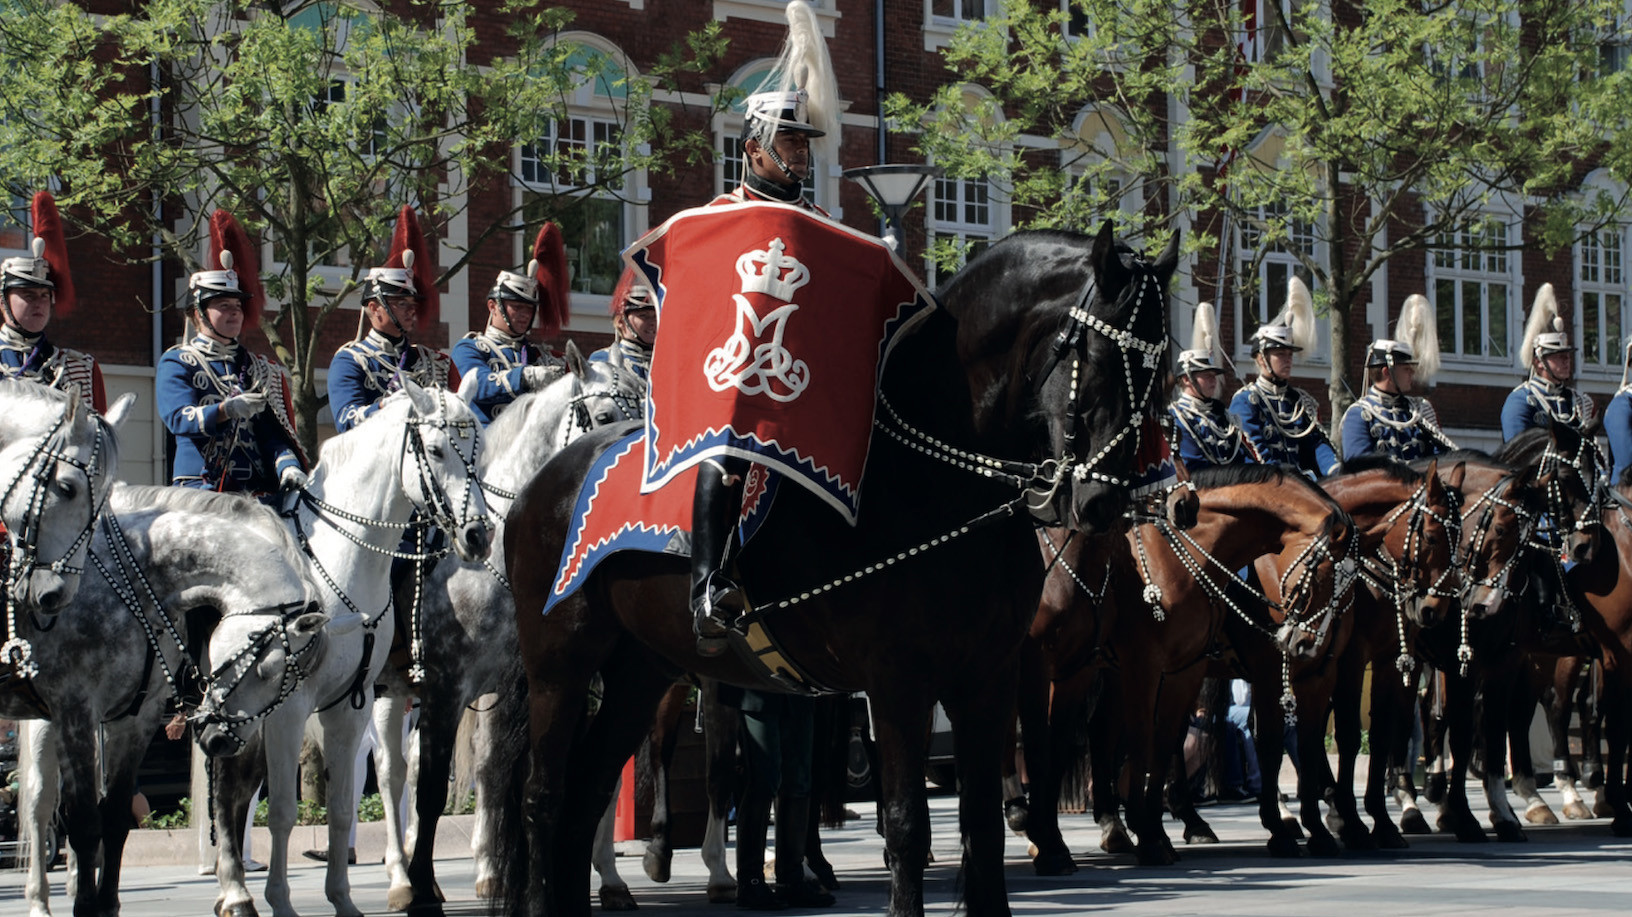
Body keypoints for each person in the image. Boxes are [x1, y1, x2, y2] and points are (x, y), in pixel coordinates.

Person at [689, 84, 833, 658]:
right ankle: (706, 584)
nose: (800, 153)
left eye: (803, 142)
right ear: (753, 149)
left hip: (805, 381)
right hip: (737, 383)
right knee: (722, 453)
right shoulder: (718, 219)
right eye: (789, 141)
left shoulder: (822, 223)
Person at [157, 210, 305, 494]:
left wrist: (288, 464)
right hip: (201, 488)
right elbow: (179, 418)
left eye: (237, 307)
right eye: (223, 305)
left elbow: (273, 433)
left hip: (256, 492)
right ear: (198, 313)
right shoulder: (178, 361)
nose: (234, 313)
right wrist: (225, 410)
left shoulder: (260, 369)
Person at [328, 205, 458, 433]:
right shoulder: (352, 361)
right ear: (374, 307)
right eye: (401, 304)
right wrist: (384, 406)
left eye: (412, 304)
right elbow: (347, 422)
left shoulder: (435, 362)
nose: (411, 311)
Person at [450, 223, 570, 425]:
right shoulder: (470, 348)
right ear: (493, 306)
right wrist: (525, 376)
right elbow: (478, 385)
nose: (525, 314)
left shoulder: (541, 355)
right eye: (517, 307)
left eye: (529, 309)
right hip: (486, 443)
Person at [0, 191, 105, 413]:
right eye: (28, 295)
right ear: (3, 301)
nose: (39, 303)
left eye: (44, 296)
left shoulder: (79, 368)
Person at [1230, 276, 1340, 479]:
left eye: (1289, 354)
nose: (1288, 359)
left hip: (1304, 485)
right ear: (1261, 358)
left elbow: (1316, 442)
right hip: (1267, 488)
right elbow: (1256, 453)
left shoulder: (1299, 401)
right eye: (1280, 354)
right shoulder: (1245, 401)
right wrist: (1293, 482)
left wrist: (1334, 470)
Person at [1339, 294, 1456, 462]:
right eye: (1407, 369)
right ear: (1388, 372)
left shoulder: (1420, 410)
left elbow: (1442, 457)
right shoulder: (1359, 414)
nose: (1412, 373)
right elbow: (1359, 468)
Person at [1169, 302, 1256, 471]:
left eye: (1214, 376)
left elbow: (1245, 457)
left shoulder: (1222, 415)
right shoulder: (1177, 417)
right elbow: (1193, 466)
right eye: (1207, 376)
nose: (1213, 380)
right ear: (1187, 379)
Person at [1502, 283, 1596, 440]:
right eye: (1559, 356)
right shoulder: (1521, 400)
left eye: (1567, 356)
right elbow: (1518, 453)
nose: (1567, 361)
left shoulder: (1579, 402)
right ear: (1539, 362)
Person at [589, 267, 657, 388]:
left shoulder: (668, 362)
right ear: (621, 320)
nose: (652, 322)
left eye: (655, 316)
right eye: (644, 316)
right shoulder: (603, 360)